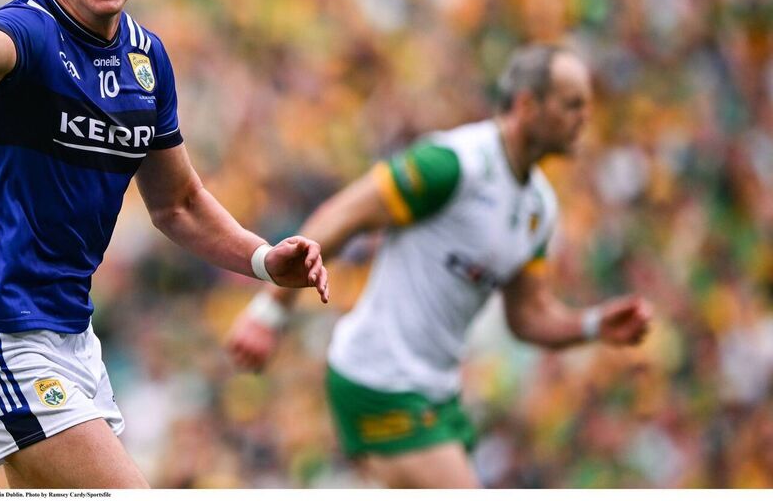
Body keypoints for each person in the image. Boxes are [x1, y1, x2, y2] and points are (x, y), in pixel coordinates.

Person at [0, 0, 330, 489]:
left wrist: (266, 260)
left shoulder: (147, 57)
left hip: (72, 338)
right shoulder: (27, 33)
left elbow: (179, 204)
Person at [226, 44, 653, 488]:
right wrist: (269, 312)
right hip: (378, 379)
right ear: (527, 105)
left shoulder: (539, 208)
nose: (585, 117)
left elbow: (529, 316)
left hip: (438, 393)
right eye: (572, 104)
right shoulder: (452, 164)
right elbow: (343, 216)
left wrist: (593, 326)